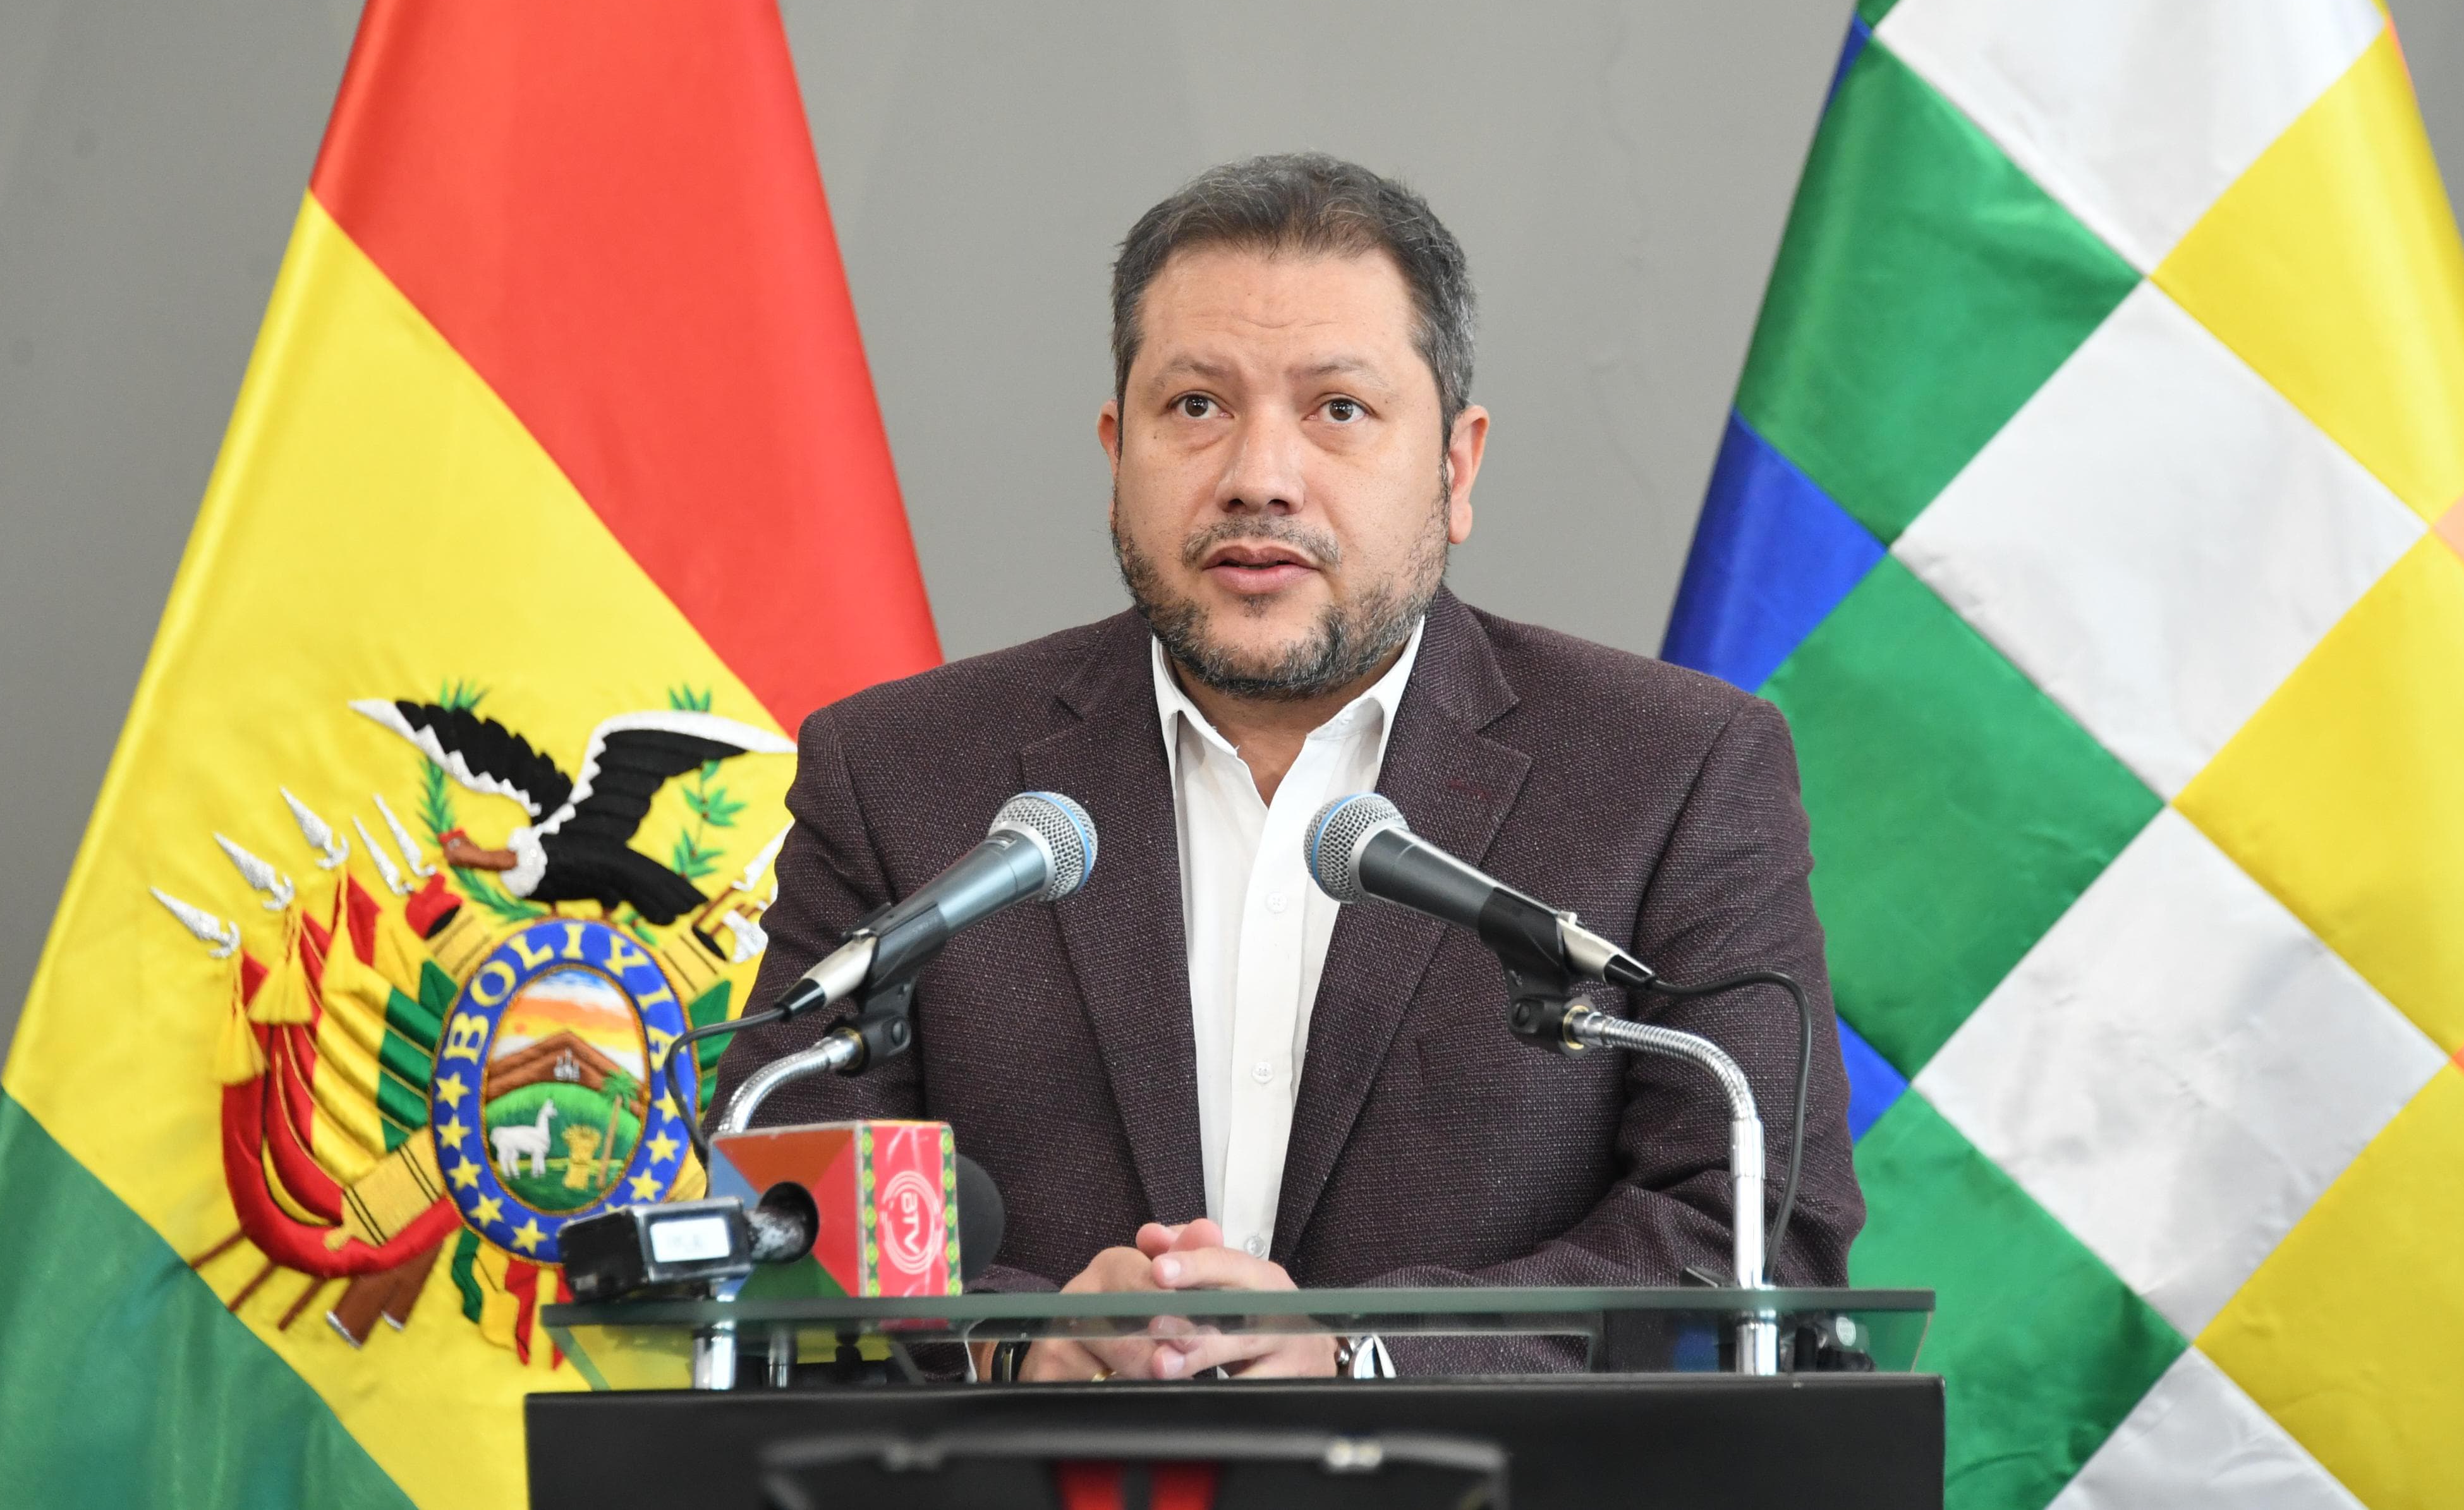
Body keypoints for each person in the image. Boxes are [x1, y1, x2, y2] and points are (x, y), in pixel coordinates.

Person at [709, 153, 1860, 1380]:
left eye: (1339, 410)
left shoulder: (1670, 771)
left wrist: (1363, 1353)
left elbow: (1748, 1234)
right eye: (1196, 406)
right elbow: (789, 1210)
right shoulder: (900, 774)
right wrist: (1016, 1341)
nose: (1259, 476)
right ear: (1117, 451)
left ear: (1456, 467)